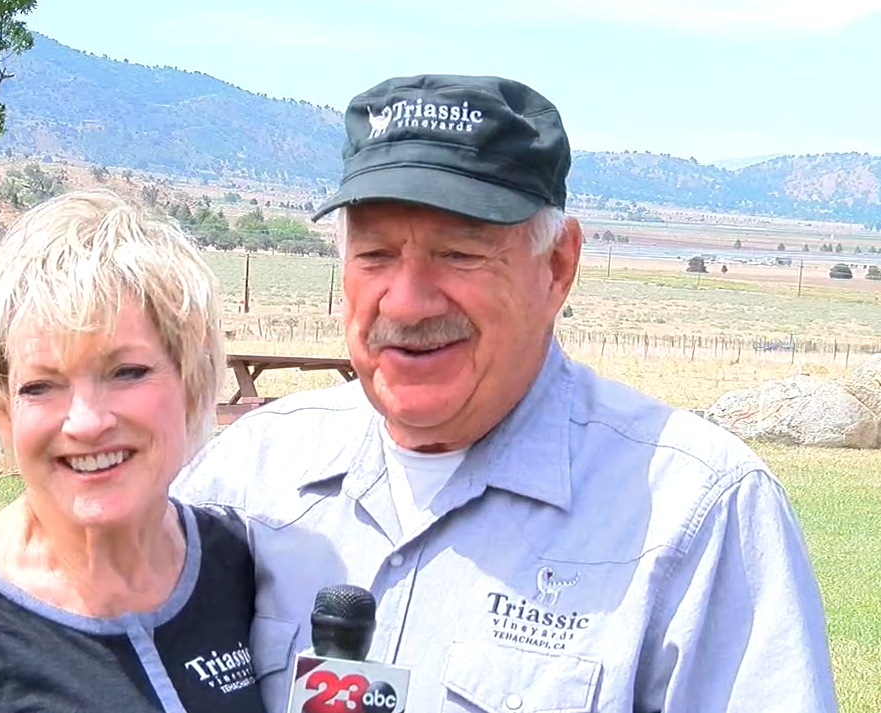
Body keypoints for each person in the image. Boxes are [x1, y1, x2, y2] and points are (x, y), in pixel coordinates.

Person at [172, 74, 839, 712]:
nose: (404, 301)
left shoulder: (695, 514)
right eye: (374, 255)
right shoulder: (245, 479)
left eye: (459, 254)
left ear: (557, 267)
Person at [0, 189, 267, 712]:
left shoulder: (242, 565)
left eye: (127, 372)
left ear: (193, 383)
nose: (85, 422)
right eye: (40, 386)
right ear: (4, 408)